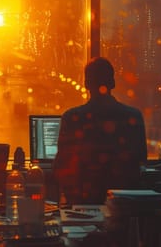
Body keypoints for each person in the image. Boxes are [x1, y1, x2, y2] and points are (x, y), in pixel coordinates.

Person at [52, 57, 147, 204]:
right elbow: (141, 162)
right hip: (123, 205)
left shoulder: (72, 118)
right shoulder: (133, 117)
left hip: (83, 202)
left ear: (86, 84)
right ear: (113, 83)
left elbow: (60, 167)